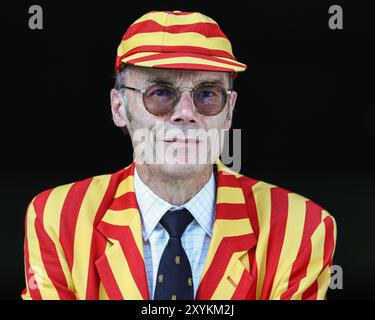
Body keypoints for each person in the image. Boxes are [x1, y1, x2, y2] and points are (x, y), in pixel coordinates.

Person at [22, 10, 336, 300]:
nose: (185, 114)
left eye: (207, 94)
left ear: (228, 113)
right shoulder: (58, 218)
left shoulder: (301, 226)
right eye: (160, 92)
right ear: (119, 108)